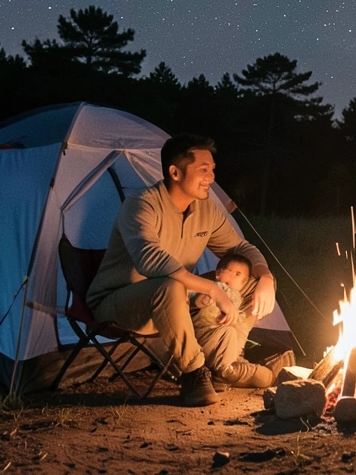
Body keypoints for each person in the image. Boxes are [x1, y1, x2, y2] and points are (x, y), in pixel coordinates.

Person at [86, 134, 280, 406]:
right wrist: (213, 289)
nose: (211, 177)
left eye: (212, 169)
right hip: (119, 304)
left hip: (180, 303)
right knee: (169, 286)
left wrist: (266, 277)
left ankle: (225, 361)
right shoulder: (142, 205)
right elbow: (149, 259)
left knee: (252, 281)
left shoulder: (205, 211)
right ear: (175, 173)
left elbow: (240, 248)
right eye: (203, 170)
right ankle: (194, 373)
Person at [187, 252, 283, 388]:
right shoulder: (210, 286)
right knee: (229, 340)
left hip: (225, 340)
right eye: (234, 272)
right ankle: (224, 372)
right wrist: (201, 299)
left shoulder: (237, 296)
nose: (238, 278)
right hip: (205, 334)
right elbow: (190, 295)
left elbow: (239, 321)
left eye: (242, 278)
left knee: (232, 334)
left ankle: (232, 366)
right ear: (218, 273)